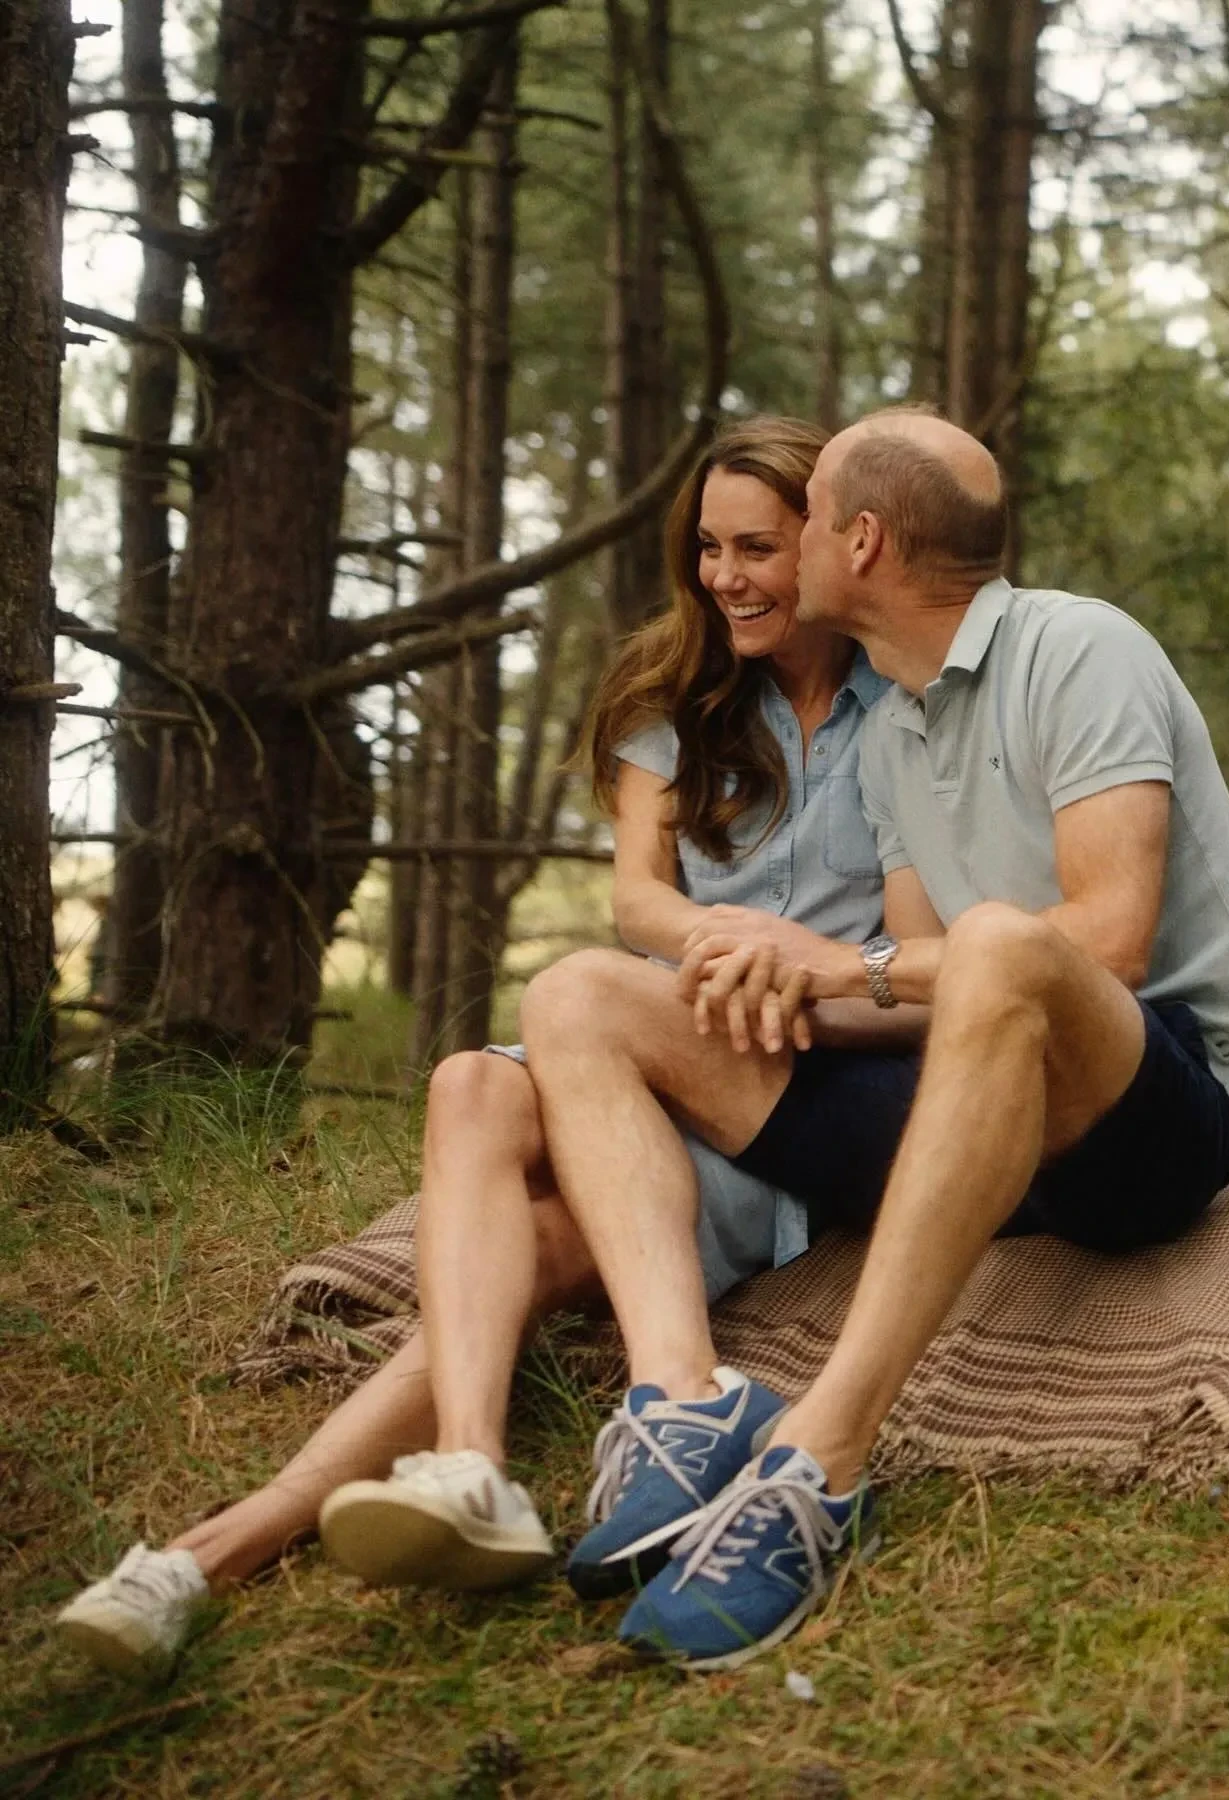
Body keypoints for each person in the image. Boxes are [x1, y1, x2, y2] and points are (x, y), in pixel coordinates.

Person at [55, 415, 918, 1677]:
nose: (726, 576)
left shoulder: (906, 713)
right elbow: (639, 902)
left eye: (757, 548)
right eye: (709, 548)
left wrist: (797, 976)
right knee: (468, 1080)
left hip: (774, 1086)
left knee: (532, 1261)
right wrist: (731, 944)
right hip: (634, 1038)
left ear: (830, 547)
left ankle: (219, 1549)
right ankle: (471, 1465)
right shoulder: (678, 703)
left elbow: (912, 949)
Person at [518, 406, 1229, 1669]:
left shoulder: (1080, 649)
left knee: (999, 944)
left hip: (1140, 1112)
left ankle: (820, 1463)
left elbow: (1106, 939)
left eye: (808, 519)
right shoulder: (894, 729)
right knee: (581, 994)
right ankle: (685, 1401)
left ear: (862, 542)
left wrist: (844, 964)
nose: (776, 550)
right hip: (969, 1106)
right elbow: (910, 991)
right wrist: (769, 988)